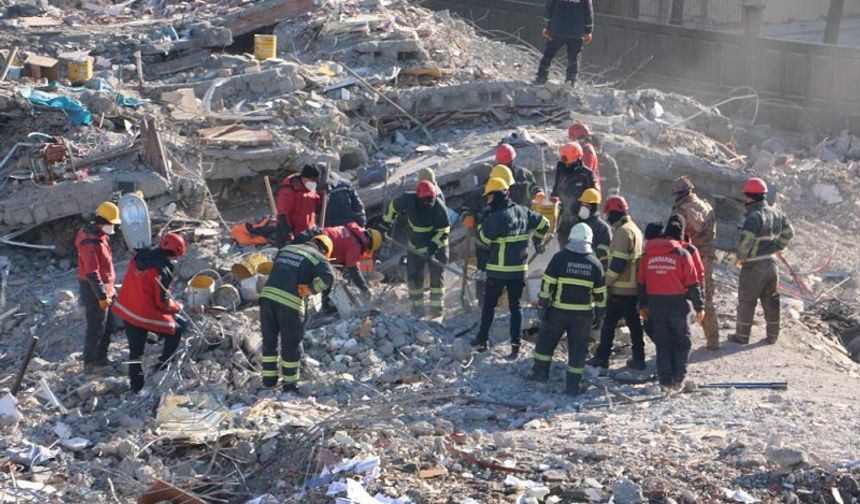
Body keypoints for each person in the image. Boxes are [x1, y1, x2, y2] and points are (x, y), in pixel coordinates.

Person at [470, 177, 550, 358]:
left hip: (498, 271)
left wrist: (482, 222)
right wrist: (538, 240)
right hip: (518, 271)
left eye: (489, 197)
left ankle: (482, 339)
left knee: (489, 306)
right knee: (516, 308)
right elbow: (545, 223)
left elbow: (483, 239)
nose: (488, 201)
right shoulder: (523, 211)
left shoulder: (496, 217)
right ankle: (516, 346)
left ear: (495, 195)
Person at [529, 223, 606, 395]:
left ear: (571, 237)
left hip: (558, 311)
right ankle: (573, 387)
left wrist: (542, 306)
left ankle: (539, 376)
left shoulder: (560, 258)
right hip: (583, 316)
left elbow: (547, 284)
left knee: (546, 343)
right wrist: (600, 316)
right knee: (578, 350)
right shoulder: (595, 263)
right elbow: (601, 294)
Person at [113, 233, 188, 393]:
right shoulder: (162, 271)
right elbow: (161, 303)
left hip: (126, 309)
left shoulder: (140, 256)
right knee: (176, 330)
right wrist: (176, 307)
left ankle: (135, 388)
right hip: (143, 314)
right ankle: (163, 366)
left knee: (135, 352)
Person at [258, 235, 335, 391]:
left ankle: (269, 381)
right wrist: (311, 289)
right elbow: (329, 277)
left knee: (269, 340)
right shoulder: (317, 257)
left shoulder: (286, 249)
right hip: (290, 302)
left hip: (267, 298)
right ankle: (289, 385)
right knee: (290, 344)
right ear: (324, 250)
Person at [637, 215, 704, 392]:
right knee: (683, 342)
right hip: (677, 305)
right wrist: (699, 307)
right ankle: (678, 379)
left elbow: (641, 283)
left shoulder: (647, 254)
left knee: (663, 343)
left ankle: (665, 382)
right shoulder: (682, 254)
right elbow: (693, 283)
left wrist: (642, 306)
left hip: (655, 305)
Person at [731, 178, 794, 345]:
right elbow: (790, 233)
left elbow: (746, 242)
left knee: (747, 300)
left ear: (751, 197)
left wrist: (740, 257)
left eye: (746, 197)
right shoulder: (778, 213)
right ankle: (773, 336)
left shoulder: (753, 217)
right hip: (772, 265)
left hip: (754, 266)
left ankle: (742, 337)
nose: (744, 199)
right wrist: (777, 247)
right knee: (771, 300)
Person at [587, 195, 645, 370]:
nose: (608, 218)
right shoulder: (634, 228)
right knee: (634, 324)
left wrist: (606, 283)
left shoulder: (622, 233)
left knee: (608, 323)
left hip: (621, 288)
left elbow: (618, 264)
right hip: (632, 288)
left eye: (609, 214)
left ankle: (602, 357)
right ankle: (639, 358)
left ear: (614, 212)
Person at [380, 180, 451, 318]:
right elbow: (393, 208)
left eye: (430, 199)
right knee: (413, 277)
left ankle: (436, 312)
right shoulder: (407, 200)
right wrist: (384, 226)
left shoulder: (439, 208)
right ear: (418, 197)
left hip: (437, 245)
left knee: (436, 277)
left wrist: (432, 247)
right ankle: (417, 309)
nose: (428, 203)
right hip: (415, 246)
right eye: (425, 200)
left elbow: (444, 230)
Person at [671, 176, 719, 349]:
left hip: (694, 255)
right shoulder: (705, 204)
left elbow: (686, 234)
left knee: (693, 297)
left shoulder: (685, 210)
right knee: (706, 297)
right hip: (705, 254)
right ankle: (713, 340)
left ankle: (681, 341)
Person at [458, 166, 515, 306]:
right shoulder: (479, 194)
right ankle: (483, 302)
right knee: (483, 273)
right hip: (483, 244)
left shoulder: (507, 194)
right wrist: (467, 216)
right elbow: (465, 208)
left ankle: (501, 301)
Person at [76, 201, 121, 373]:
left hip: (105, 287)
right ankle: (90, 363)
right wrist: (102, 297)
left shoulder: (99, 235)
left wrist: (110, 291)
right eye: (112, 223)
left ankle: (101, 358)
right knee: (96, 327)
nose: (113, 227)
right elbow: (91, 273)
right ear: (103, 221)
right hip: (94, 289)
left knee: (108, 326)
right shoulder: (90, 242)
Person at [296, 223, 383, 303]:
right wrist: (364, 289)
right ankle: (322, 305)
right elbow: (353, 269)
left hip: (308, 236)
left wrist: (344, 271)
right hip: (316, 245)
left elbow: (339, 251)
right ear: (370, 244)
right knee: (326, 277)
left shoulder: (352, 232)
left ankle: (324, 304)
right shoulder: (356, 245)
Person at [535, 0, 593, 86]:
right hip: (576, 31)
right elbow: (588, 12)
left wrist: (547, 25)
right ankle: (571, 81)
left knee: (549, 54)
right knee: (574, 57)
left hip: (557, 29)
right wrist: (588, 31)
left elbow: (549, 7)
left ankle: (541, 77)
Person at [551, 142, 596, 249]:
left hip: (580, 219)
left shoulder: (586, 174)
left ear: (578, 158)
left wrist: (586, 210)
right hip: (563, 216)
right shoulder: (561, 167)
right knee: (563, 244)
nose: (567, 165)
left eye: (569, 163)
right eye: (565, 162)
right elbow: (556, 188)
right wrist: (554, 198)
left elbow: (593, 198)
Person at [276, 164, 321, 246]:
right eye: (312, 181)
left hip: (308, 233)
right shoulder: (288, 191)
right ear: (304, 178)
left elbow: (318, 208)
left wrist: (325, 195)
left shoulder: (311, 190)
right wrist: (288, 234)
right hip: (292, 235)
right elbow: (283, 215)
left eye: (316, 181)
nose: (314, 184)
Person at [575, 188, 612, 269]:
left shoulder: (603, 228)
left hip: (591, 268)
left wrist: (586, 254)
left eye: (587, 206)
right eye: (582, 205)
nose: (583, 208)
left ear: (594, 207)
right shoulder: (577, 224)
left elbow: (603, 254)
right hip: (574, 267)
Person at [568, 122, 601, 190]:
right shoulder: (582, 151)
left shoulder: (587, 151)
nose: (572, 143)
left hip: (587, 192)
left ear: (581, 139)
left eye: (573, 140)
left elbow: (584, 172)